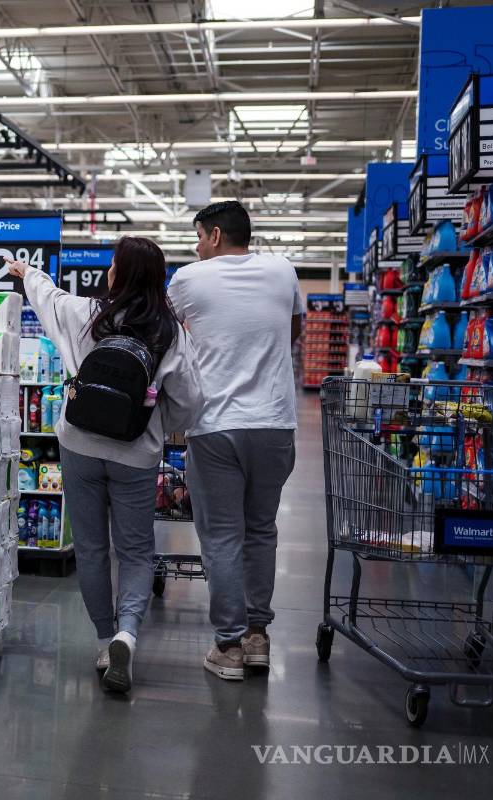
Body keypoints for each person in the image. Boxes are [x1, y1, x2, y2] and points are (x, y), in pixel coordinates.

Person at [7, 237, 203, 693]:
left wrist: (26, 273)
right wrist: (152, 425)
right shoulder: (170, 332)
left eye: (114, 264)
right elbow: (192, 401)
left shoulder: (88, 314)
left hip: (79, 444)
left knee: (93, 550)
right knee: (134, 550)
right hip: (135, 454)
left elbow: (49, 298)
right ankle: (126, 634)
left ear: (120, 273)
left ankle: (102, 638)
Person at [166, 200, 302, 682]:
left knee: (222, 536)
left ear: (217, 236)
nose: (197, 247)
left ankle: (228, 646)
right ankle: (257, 636)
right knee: (260, 529)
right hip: (275, 423)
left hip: (216, 424)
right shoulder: (284, 271)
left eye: (200, 237)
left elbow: (170, 337)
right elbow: (292, 332)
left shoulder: (187, 279)